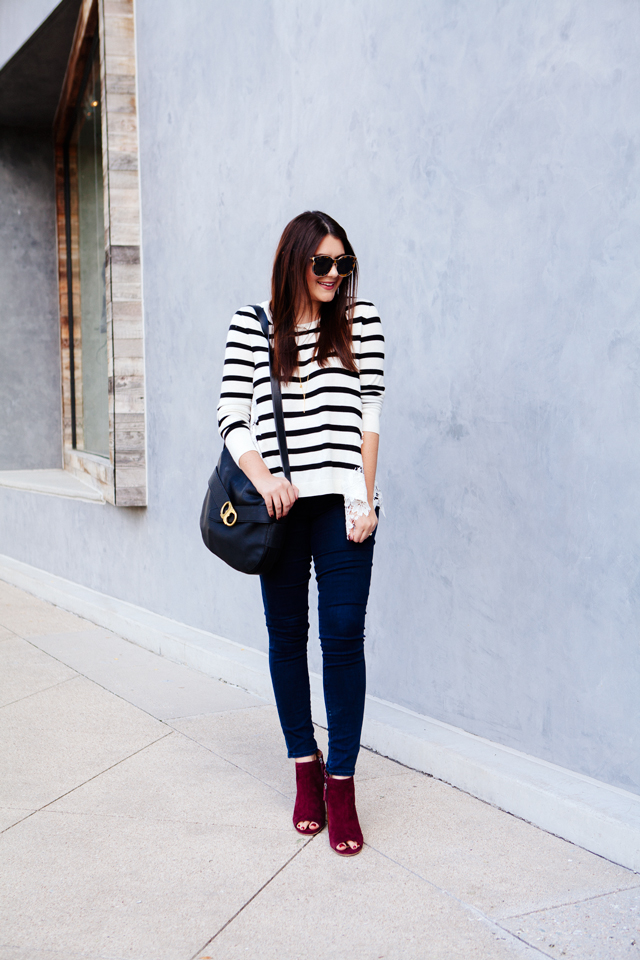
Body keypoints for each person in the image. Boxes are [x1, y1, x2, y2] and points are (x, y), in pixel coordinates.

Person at [217, 211, 384, 856]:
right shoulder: (251, 324)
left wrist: (365, 498)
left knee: (343, 635)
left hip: (344, 508)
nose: (334, 275)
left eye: (343, 264)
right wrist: (266, 481)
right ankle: (304, 767)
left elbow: (371, 414)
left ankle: (341, 782)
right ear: (295, 261)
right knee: (288, 637)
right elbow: (233, 416)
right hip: (279, 509)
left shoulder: (360, 321)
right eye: (322, 263)